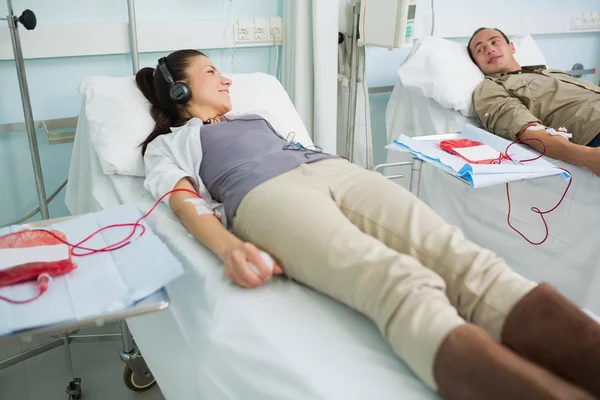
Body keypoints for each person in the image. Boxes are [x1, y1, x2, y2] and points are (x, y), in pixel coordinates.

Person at [136, 49, 600, 399]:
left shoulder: (256, 117)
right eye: (211, 71)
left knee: (470, 261)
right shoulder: (169, 145)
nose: (227, 79)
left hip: (337, 172)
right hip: (265, 196)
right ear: (178, 89)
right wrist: (228, 249)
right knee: (398, 281)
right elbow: (185, 204)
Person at [468, 27, 600, 176]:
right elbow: (530, 132)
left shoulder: (551, 72)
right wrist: (587, 157)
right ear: (476, 63)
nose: (490, 50)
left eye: (495, 42)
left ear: (511, 47)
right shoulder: (490, 88)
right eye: (480, 50)